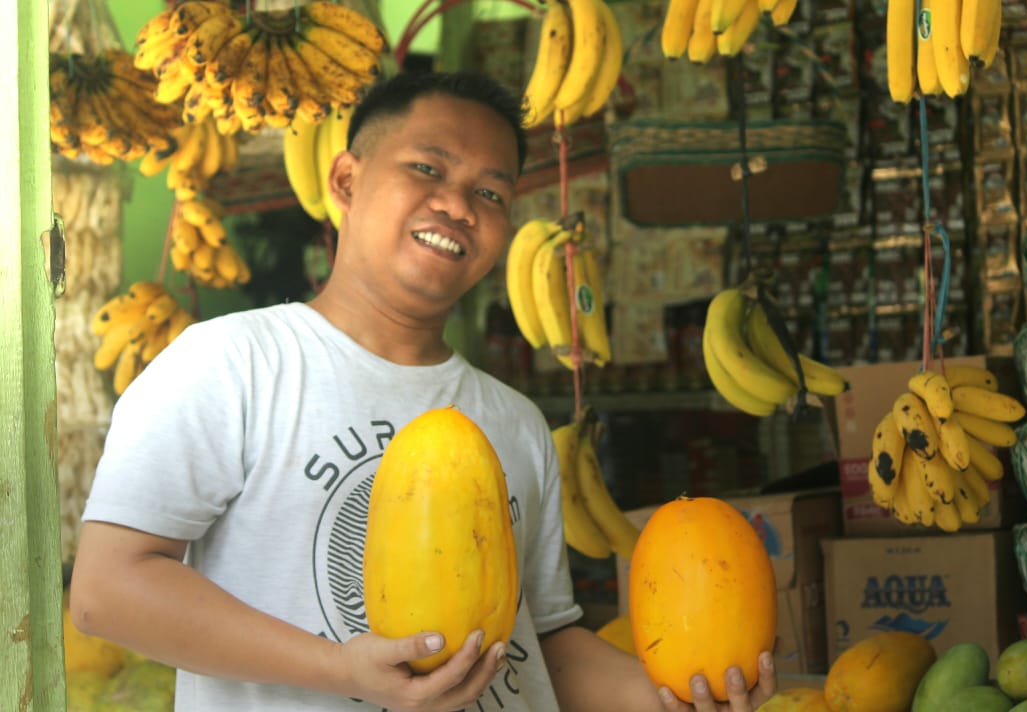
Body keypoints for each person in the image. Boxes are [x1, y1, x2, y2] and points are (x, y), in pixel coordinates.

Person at [70, 70, 777, 712]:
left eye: (491, 192)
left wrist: (677, 700)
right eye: (427, 168)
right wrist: (340, 669)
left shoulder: (517, 422)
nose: (457, 205)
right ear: (346, 180)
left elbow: (542, 642)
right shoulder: (231, 364)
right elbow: (108, 593)